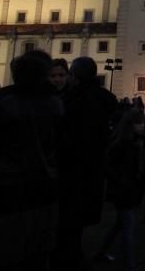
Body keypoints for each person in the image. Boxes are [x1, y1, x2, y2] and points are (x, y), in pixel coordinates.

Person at [0, 50, 63, 271]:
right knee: (38, 251)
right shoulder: (57, 105)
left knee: (5, 252)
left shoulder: (5, 104)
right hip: (45, 187)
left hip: (8, 188)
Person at [54, 57, 118, 270]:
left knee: (67, 217)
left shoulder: (69, 100)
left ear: (76, 77)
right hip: (94, 167)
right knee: (80, 216)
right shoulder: (106, 99)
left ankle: (67, 256)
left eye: (69, 74)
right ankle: (75, 253)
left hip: (70, 168)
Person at [95, 109, 145, 269]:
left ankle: (101, 252)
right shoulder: (122, 143)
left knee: (120, 224)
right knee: (128, 228)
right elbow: (109, 167)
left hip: (131, 190)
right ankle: (129, 264)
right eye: (138, 123)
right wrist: (122, 182)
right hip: (124, 191)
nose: (142, 126)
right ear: (130, 125)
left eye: (142, 122)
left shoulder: (137, 141)